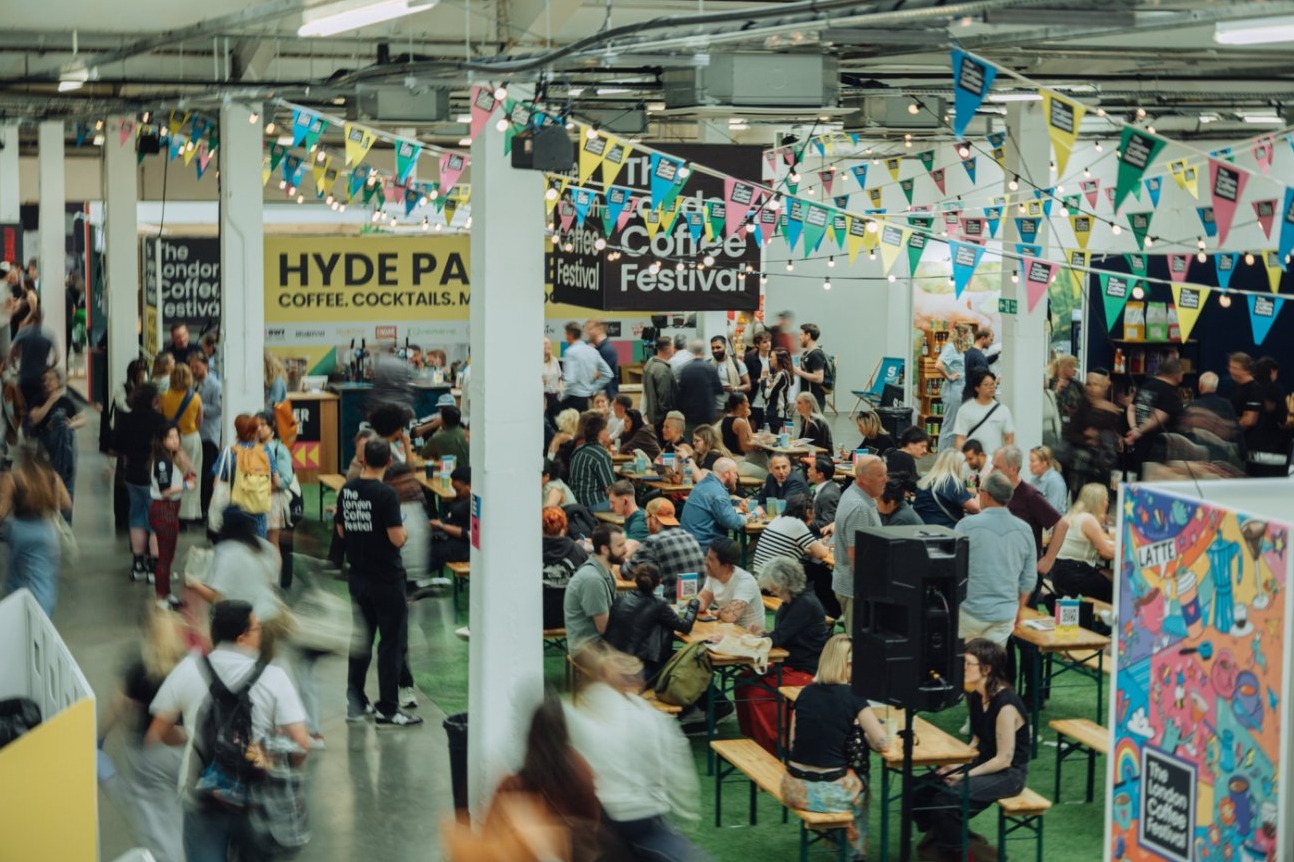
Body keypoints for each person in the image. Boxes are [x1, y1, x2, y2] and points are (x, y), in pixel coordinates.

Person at [145, 600, 311, 862]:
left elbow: (161, 728)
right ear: (242, 637)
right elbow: (301, 743)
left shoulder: (189, 668)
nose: (260, 634)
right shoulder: (274, 675)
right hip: (257, 798)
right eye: (257, 629)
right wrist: (284, 765)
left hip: (201, 795)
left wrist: (187, 735)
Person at [566, 643, 707, 862]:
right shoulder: (649, 716)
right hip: (641, 815)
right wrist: (685, 813)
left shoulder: (577, 714)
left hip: (600, 815)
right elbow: (673, 768)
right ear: (636, 683)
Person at [912, 639, 1028, 862]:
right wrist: (958, 763)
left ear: (987, 669)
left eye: (968, 664)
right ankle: (946, 841)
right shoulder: (976, 695)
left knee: (946, 802)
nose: (962, 668)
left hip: (1008, 773)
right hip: (983, 762)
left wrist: (964, 775)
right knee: (918, 789)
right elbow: (977, 739)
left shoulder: (1006, 705)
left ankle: (964, 855)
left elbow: (1003, 759)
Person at [336, 438, 422, 727]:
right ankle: (387, 707)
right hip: (386, 579)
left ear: (362, 460)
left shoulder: (347, 490)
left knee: (361, 639)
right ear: (388, 462)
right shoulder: (386, 495)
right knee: (391, 643)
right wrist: (405, 534)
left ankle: (356, 701)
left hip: (358, 576)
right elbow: (397, 538)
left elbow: (341, 531)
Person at [781, 634, 889, 862]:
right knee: (861, 781)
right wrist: (867, 731)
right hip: (830, 794)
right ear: (847, 664)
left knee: (843, 773)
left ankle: (834, 837)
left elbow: (792, 742)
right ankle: (855, 854)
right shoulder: (854, 697)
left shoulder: (805, 692)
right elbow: (882, 742)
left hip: (793, 788)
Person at [98, 604, 187, 862]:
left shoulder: (138, 666)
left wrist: (99, 737)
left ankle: (105, 773)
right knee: (176, 808)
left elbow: (117, 706)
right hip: (183, 753)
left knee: (148, 809)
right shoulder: (187, 663)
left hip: (149, 754)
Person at [482, 692, 606, 859]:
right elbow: (593, 821)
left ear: (530, 734)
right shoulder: (581, 770)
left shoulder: (512, 786)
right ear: (564, 730)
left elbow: (487, 836)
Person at [737, 556, 829, 754]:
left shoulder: (804, 604)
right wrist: (763, 634)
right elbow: (783, 634)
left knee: (755, 692)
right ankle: (752, 738)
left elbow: (779, 637)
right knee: (742, 681)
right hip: (790, 662)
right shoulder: (793, 601)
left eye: (774, 587)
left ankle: (772, 745)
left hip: (804, 669)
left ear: (784, 583)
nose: (772, 591)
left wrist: (761, 637)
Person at [187, 507, 288, 659]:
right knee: (266, 666)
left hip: (249, 625)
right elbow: (273, 581)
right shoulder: (265, 547)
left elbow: (217, 597)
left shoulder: (228, 552)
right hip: (272, 617)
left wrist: (194, 583)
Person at [954, 472, 1034, 646]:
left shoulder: (965, 525)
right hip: (1005, 613)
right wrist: (1019, 609)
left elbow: (954, 568)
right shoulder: (1025, 530)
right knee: (993, 660)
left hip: (970, 610)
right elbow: (1029, 579)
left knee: (968, 660)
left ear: (986, 495)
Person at [0, 442, 71, 617]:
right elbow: (66, 503)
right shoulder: (52, 477)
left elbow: (2, 511)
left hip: (19, 532)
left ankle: (15, 613)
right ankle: (42, 617)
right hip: (45, 532)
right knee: (43, 579)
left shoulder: (14, 478)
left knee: (15, 576)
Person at [605, 560, 700, 679]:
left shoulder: (620, 598)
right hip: (636, 669)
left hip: (612, 663)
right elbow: (685, 626)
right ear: (659, 582)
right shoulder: (658, 604)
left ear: (635, 579)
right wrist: (694, 603)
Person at [991, 445, 1069, 584]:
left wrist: (1048, 559)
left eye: (997, 467)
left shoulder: (1030, 495)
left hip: (1024, 570)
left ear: (1012, 469)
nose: (992, 471)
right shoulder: (1001, 493)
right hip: (1005, 566)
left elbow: (1062, 524)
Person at [115, 382, 166, 582]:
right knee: (156, 522)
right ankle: (154, 566)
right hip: (153, 477)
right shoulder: (159, 421)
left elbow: (118, 446)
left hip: (132, 476)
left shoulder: (126, 419)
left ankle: (138, 564)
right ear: (154, 400)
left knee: (136, 518)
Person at [831, 456, 886, 634]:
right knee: (857, 643)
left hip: (853, 586)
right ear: (862, 478)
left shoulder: (854, 494)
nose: (885, 480)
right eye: (880, 475)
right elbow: (856, 555)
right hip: (857, 591)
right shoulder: (859, 507)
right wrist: (871, 591)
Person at [25, 367, 83, 521]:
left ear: (58, 382)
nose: (47, 383)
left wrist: (71, 424)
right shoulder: (38, 400)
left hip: (66, 451)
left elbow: (82, 419)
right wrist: (50, 401)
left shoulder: (66, 401)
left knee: (66, 487)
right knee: (45, 485)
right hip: (45, 451)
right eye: (44, 380)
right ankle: (47, 523)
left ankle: (65, 525)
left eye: (51, 379)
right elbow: (34, 418)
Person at [148, 426, 194, 608]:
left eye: (177, 437)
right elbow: (165, 490)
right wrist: (186, 486)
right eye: (171, 437)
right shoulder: (162, 462)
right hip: (164, 509)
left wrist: (184, 458)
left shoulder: (171, 458)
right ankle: (161, 597)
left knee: (168, 556)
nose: (175, 441)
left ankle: (165, 594)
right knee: (165, 557)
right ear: (162, 440)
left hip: (171, 509)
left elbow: (191, 471)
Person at [624, 498, 706, 598]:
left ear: (653, 518)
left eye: (646, 519)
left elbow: (626, 572)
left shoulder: (653, 541)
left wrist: (619, 563)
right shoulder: (689, 536)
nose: (646, 524)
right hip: (696, 601)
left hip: (671, 603)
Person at [564, 523, 626, 653]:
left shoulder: (606, 572)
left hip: (599, 644)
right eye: (620, 546)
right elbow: (604, 628)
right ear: (604, 549)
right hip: (588, 650)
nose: (625, 549)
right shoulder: (593, 580)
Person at [216, 414, 279, 539]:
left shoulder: (229, 452)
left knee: (236, 545)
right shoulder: (265, 451)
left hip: (235, 512)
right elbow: (277, 482)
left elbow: (217, 483)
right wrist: (258, 492)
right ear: (255, 430)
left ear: (237, 431)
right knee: (257, 546)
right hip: (258, 512)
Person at [1051, 483, 1117, 603]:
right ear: (1101, 501)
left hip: (1060, 572)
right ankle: (1105, 614)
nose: (1107, 502)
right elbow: (1105, 552)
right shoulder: (1088, 520)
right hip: (1075, 575)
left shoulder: (1072, 516)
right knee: (1116, 582)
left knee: (1110, 575)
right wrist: (1128, 550)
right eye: (1106, 499)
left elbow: (1104, 540)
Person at [157, 364, 203, 523]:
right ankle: (188, 513)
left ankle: (172, 510)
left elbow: (161, 417)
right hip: (190, 437)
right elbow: (199, 420)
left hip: (171, 439)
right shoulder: (195, 397)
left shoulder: (164, 397)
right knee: (191, 473)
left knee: (172, 475)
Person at [1230, 352, 1286, 477]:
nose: (1231, 371)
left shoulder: (1248, 388)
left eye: (1235, 368)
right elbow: (1282, 418)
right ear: (1272, 371)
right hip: (1267, 443)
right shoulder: (1274, 389)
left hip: (1248, 444)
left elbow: (1247, 418)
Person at [1126, 357, 1185, 470]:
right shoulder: (1170, 393)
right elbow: (1156, 418)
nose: (1183, 374)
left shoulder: (1146, 385)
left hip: (1140, 445)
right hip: (1159, 449)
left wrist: (1134, 428)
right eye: (1181, 371)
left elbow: (1131, 409)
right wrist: (1138, 431)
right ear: (1175, 374)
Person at [751, 493, 832, 576]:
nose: (814, 517)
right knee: (823, 572)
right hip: (776, 578)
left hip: (760, 574)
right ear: (808, 512)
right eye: (814, 513)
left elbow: (800, 548)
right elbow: (822, 553)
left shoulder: (779, 518)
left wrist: (818, 545)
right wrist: (824, 547)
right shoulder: (798, 524)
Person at [678, 457, 749, 550]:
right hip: (704, 547)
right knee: (736, 549)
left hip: (688, 543)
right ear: (727, 474)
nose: (737, 477)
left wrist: (738, 502)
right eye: (735, 473)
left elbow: (717, 501)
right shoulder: (718, 492)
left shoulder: (704, 483)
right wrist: (752, 515)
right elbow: (733, 523)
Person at [696, 536, 763, 630]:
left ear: (726, 566)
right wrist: (694, 604)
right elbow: (703, 598)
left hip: (749, 635)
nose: (706, 562)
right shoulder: (714, 575)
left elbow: (729, 617)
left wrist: (719, 612)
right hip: (727, 630)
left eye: (711, 559)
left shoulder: (745, 582)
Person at [542, 506, 589, 629]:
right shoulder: (578, 551)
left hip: (537, 616)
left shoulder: (530, 551)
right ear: (564, 527)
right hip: (570, 616)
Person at [190, 353, 222, 521]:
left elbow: (218, 408)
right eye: (192, 367)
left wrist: (198, 408)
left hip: (209, 436)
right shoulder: (192, 384)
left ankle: (205, 509)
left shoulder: (215, 386)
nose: (194, 370)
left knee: (207, 474)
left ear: (206, 366)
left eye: (197, 367)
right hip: (196, 435)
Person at [952, 369, 1015, 454]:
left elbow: (1009, 437)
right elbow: (960, 438)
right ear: (977, 388)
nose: (991, 387)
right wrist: (961, 458)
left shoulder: (1003, 410)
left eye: (993, 384)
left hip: (994, 460)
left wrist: (1006, 458)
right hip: (972, 460)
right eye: (986, 384)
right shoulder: (965, 410)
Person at [913, 449, 979, 528]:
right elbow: (976, 508)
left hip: (923, 528)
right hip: (946, 530)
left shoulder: (925, 481)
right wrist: (979, 492)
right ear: (957, 466)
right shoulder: (953, 484)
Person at [10, 307, 57, 412]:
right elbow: (57, 357)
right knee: (37, 406)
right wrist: (49, 367)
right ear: (42, 318)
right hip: (40, 379)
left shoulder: (23, 332)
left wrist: (14, 366)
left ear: (31, 317)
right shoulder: (49, 334)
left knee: (24, 408)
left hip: (24, 377)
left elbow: (11, 350)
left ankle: (27, 420)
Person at [567, 411, 616, 511]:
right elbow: (610, 488)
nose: (609, 433)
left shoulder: (578, 450)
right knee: (632, 506)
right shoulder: (601, 454)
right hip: (594, 503)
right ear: (600, 433)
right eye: (606, 429)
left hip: (576, 503)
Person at [560, 321, 612, 412]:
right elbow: (608, 374)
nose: (565, 337)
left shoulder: (570, 352)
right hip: (586, 399)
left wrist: (561, 397)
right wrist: (593, 388)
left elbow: (570, 379)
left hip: (571, 398)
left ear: (570, 335)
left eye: (565, 334)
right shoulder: (593, 351)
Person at [935, 325, 971, 452]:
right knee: (949, 426)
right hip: (953, 388)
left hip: (959, 387)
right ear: (963, 334)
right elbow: (938, 365)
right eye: (968, 333)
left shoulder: (957, 348)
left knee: (956, 426)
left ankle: (950, 456)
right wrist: (949, 377)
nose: (969, 336)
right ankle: (943, 457)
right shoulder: (950, 347)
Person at [676, 340, 723, 437]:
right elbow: (718, 390)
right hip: (707, 414)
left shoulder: (685, 369)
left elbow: (680, 394)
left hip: (690, 415)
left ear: (691, 351)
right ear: (704, 351)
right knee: (706, 440)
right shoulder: (710, 368)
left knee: (690, 440)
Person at [719, 392, 769, 479]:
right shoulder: (739, 422)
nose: (749, 405)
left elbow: (750, 437)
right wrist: (761, 442)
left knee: (761, 455)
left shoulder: (727, 418)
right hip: (737, 462)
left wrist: (745, 417)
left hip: (733, 458)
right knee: (769, 475)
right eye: (747, 402)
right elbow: (744, 447)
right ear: (740, 405)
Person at [430, 466, 471, 571]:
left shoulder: (474, 505)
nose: (457, 493)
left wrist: (442, 526)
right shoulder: (461, 499)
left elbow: (469, 534)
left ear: (469, 486)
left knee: (430, 552)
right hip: (451, 539)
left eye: (458, 490)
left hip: (465, 546)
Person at [709, 335, 751, 415]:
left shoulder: (738, 364)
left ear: (725, 347)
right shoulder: (708, 365)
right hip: (713, 409)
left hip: (733, 409)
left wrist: (734, 388)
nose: (715, 350)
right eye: (713, 348)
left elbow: (748, 386)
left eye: (718, 347)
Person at [641, 335, 676, 429]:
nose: (674, 349)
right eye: (673, 346)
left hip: (652, 415)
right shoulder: (663, 370)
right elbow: (665, 400)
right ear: (667, 349)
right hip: (662, 419)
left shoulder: (649, 363)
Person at [883, 425, 931, 495]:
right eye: (922, 446)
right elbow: (913, 484)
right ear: (910, 444)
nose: (925, 451)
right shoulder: (906, 458)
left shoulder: (892, 453)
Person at [794, 323, 829, 406]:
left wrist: (799, 372)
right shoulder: (807, 354)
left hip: (814, 401)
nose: (799, 338)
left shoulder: (816, 354)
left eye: (801, 334)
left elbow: (819, 378)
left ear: (808, 336)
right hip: (807, 400)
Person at [807, 455, 841, 538]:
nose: (808, 470)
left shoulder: (829, 495)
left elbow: (827, 523)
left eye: (811, 469)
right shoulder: (822, 486)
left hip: (819, 536)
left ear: (820, 475)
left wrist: (805, 521)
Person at [745, 330, 773, 431]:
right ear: (757, 344)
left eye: (769, 341)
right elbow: (745, 380)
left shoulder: (773, 358)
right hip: (754, 401)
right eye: (764, 342)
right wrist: (759, 380)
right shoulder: (750, 359)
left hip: (769, 403)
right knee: (753, 430)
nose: (768, 344)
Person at [1027, 445, 1068, 513]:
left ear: (1044, 464)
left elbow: (1053, 512)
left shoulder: (1055, 481)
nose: (1029, 464)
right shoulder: (1034, 479)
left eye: (1032, 461)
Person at [762, 347, 794, 434]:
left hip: (775, 414)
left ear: (779, 359)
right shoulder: (782, 373)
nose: (769, 359)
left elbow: (767, 394)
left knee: (772, 439)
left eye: (772, 357)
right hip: (776, 413)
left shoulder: (781, 375)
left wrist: (763, 378)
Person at [606, 479, 647, 545]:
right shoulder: (631, 516)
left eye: (613, 502)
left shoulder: (639, 523)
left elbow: (627, 550)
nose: (611, 507)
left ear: (625, 501)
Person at [586, 318, 619, 399]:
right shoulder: (596, 349)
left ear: (600, 329)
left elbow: (596, 375)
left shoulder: (607, 350)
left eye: (590, 329)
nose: (587, 332)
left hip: (605, 398)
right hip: (598, 396)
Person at [541, 335, 563, 419]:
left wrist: (561, 393)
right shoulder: (537, 362)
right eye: (545, 343)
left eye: (550, 343)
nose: (549, 345)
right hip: (543, 397)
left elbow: (559, 378)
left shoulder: (555, 360)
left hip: (555, 396)